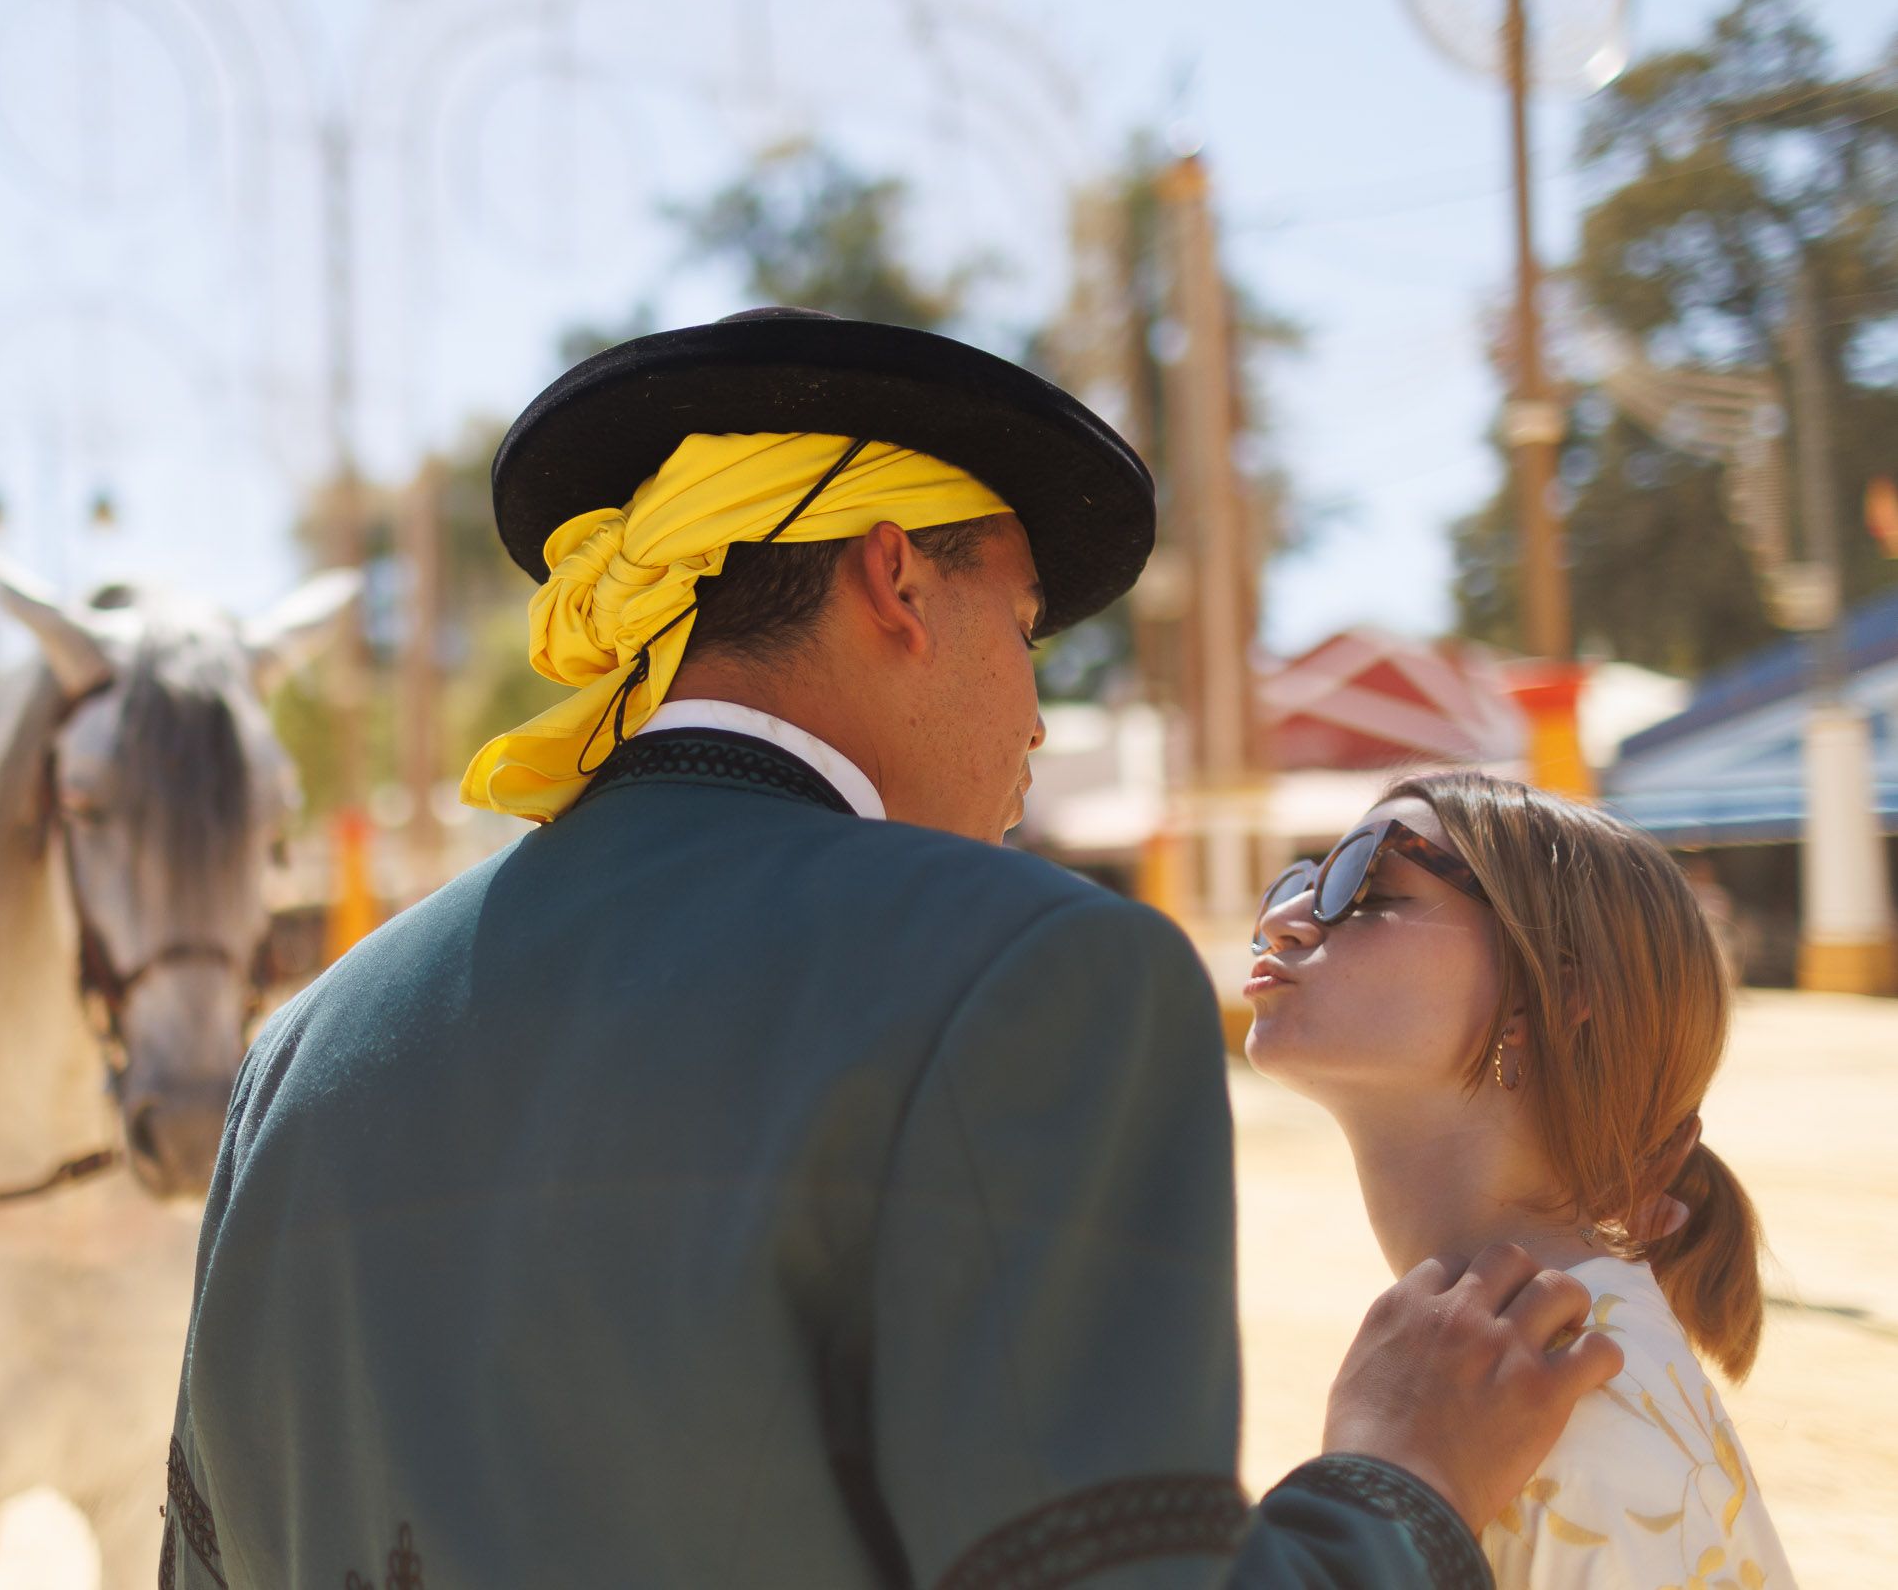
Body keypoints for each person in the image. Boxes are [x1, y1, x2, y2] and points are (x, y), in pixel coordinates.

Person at [162, 310, 1621, 1589]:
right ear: (894, 581)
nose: (1037, 719)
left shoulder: (302, 1049)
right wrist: (1406, 1478)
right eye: (1030, 628)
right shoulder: (1036, 971)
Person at [1246, 772, 1796, 1589]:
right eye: (1301, 883)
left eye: (1362, 890)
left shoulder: (1573, 1412)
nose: (1281, 924)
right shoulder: (1508, 1377)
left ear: (1552, 991)